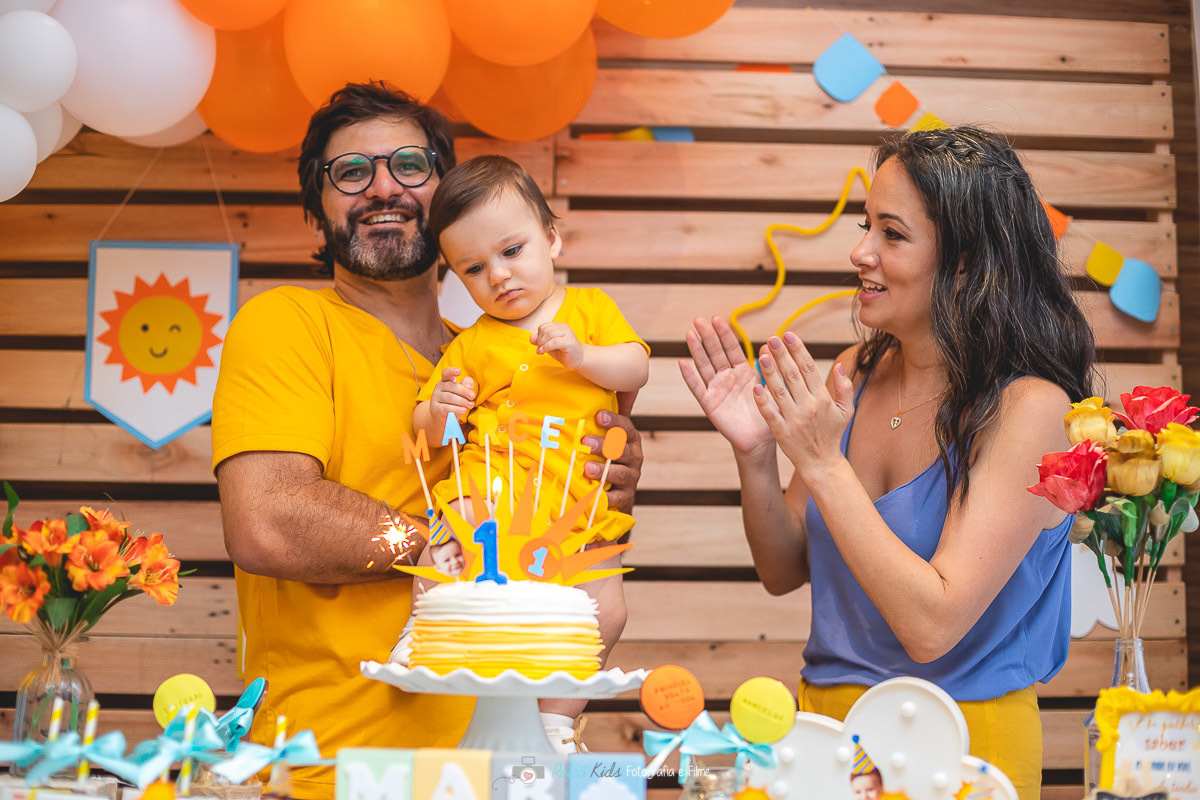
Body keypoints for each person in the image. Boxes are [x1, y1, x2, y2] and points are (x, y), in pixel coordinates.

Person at [211, 82, 643, 800]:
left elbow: (564, 512)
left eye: (409, 164)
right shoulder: (286, 324)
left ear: (445, 193)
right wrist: (452, 552)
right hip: (335, 769)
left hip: (511, 770)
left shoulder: (495, 357)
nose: (382, 186)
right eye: (351, 172)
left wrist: (604, 475)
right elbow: (268, 520)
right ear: (318, 206)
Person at [680, 126, 1095, 800]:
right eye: (866, 225)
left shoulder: (1032, 408)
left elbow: (933, 624)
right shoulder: (858, 372)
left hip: (963, 747)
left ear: (965, 264)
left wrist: (822, 464)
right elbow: (783, 570)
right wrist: (757, 455)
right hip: (824, 737)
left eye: (892, 234)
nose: (860, 251)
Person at [401, 154, 649, 751]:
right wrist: (441, 410)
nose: (500, 277)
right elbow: (421, 428)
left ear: (553, 238)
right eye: (474, 268)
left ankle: (555, 723)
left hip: (577, 512)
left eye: (513, 251)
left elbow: (637, 363)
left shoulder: (589, 312)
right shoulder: (474, 344)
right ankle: (422, 634)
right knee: (445, 558)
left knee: (607, 613)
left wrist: (582, 357)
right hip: (492, 501)